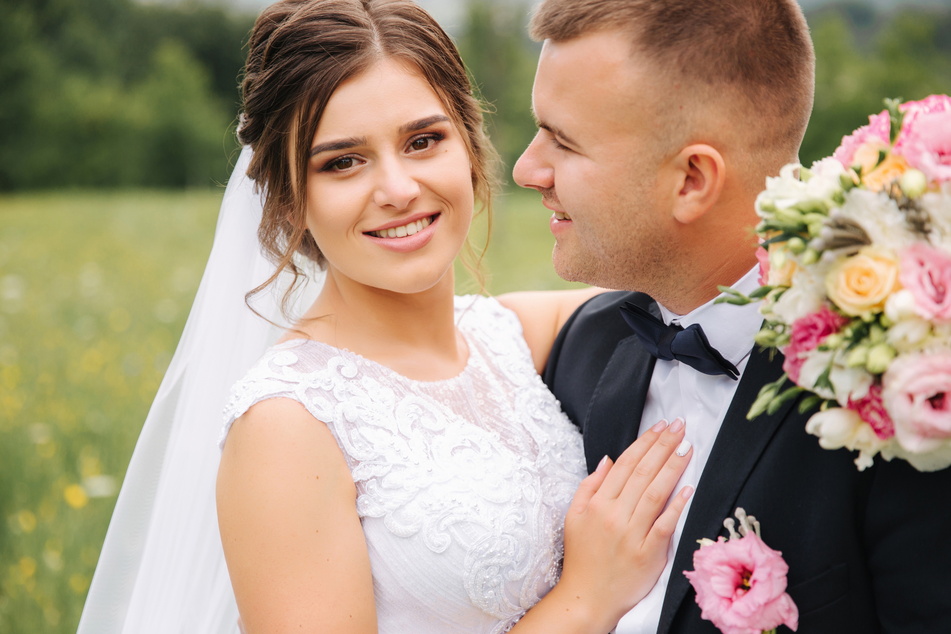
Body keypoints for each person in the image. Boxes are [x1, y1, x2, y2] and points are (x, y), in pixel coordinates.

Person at [79, 1, 694, 633]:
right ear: (289, 200)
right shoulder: (287, 426)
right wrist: (588, 597)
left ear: (470, 145)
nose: (398, 188)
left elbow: (702, 288)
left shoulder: (511, 333)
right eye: (343, 161)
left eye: (423, 141)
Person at [509, 0, 951, 632]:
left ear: (692, 178)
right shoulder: (587, 345)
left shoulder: (907, 399)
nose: (528, 169)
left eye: (564, 142)